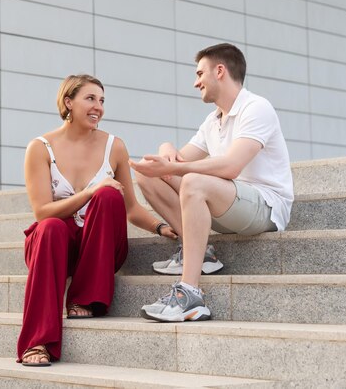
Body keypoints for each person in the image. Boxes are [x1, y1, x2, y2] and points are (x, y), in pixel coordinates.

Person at [17, 74, 177, 366]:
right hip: (55, 247)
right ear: (69, 102)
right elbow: (41, 212)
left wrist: (161, 226)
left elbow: (130, 207)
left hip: (100, 249)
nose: (98, 107)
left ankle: (85, 298)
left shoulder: (114, 146)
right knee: (50, 226)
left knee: (109, 197)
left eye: (102, 101)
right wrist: (90, 191)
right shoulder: (40, 148)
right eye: (90, 98)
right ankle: (37, 342)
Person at [129, 43, 293, 322]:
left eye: (199, 73)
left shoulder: (256, 108)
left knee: (193, 182)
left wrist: (176, 166)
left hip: (264, 206)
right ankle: (201, 252)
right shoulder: (213, 120)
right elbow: (176, 162)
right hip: (228, 201)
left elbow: (230, 166)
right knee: (148, 174)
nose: (196, 82)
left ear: (219, 71)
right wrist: (165, 146)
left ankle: (190, 294)